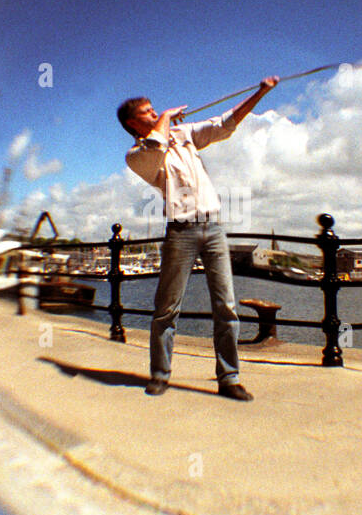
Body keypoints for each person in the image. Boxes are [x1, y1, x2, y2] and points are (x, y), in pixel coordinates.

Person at [118, 76, 279, 399]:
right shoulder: (137, 156)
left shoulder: (183, 134)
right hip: (181, 232)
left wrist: (260, 92)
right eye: (148, 112)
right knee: (167, 308)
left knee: (226, 306)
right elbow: (155, 146)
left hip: (214, 227)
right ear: (134, 123)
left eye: (155, 111)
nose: (156, 113)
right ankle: (160, 375)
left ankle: (229, 378)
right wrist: (164, 118)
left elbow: (225, 123)